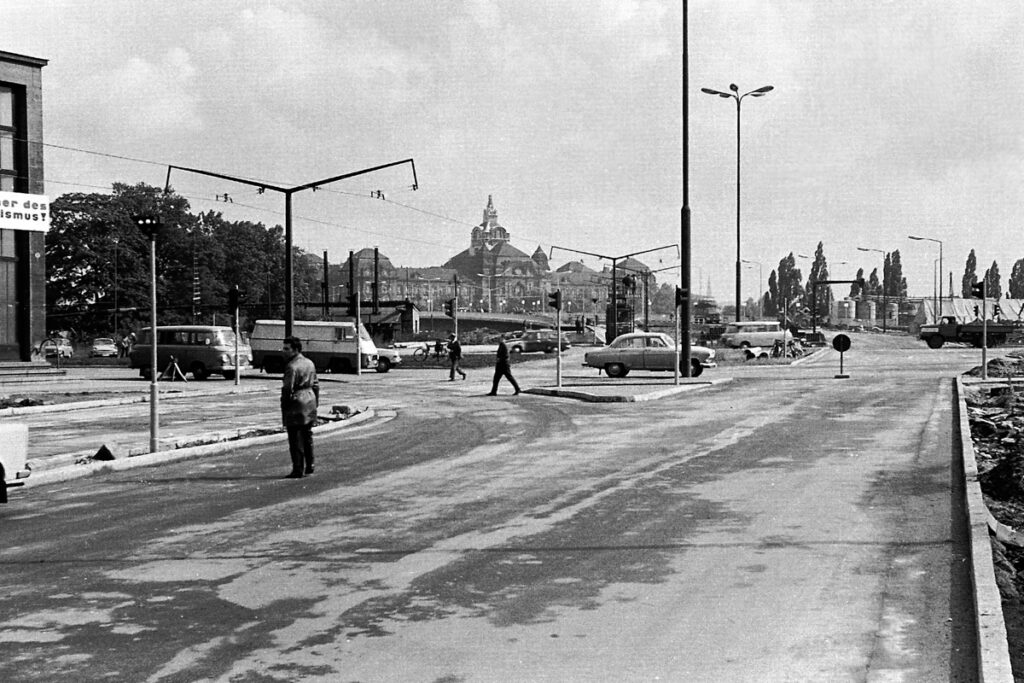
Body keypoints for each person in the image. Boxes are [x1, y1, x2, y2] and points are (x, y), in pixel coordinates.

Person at [281, 335, 319, 478]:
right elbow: (316, 384)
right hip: (310, 400)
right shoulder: (310, 363)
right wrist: (316, 403)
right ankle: (310, 465)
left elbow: (287, 389)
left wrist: (284, 407)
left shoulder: (291, 367)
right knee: (307, 435)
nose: (283, 351)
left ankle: (298, 468)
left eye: (287, 349)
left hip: (297, 402)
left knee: (295, 437)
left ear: (295, 349)